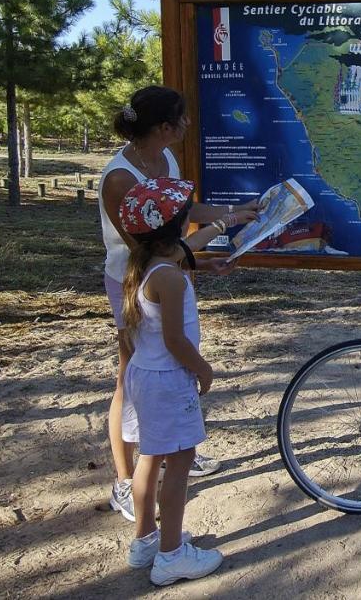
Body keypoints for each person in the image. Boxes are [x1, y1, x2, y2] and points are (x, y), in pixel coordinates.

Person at [99, 85, 259, 522]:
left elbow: (180, 214)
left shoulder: (164, 156)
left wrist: (236, 211)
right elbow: (147, 248)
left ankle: (168, 450)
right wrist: (201, 258)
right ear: (164, 127)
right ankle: (125, 481)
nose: (189, 124)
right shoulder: (119, 178)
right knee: (131, 376)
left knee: (161, 372)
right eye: (183, 119)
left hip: (169, 271)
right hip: (134, 280)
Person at [117, 177, 224, 585]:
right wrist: (203, 368)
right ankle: (171, 556)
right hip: (169, 378)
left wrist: (210, 258)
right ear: (178, 228)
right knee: (179, 464)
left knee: (150, 457)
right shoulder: (172, 278)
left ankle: (146, 539)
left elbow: (184, 255)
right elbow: (176, 340)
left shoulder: (144, 263)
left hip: (144, 374)